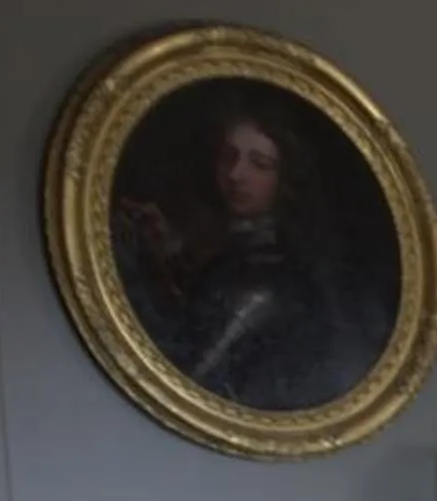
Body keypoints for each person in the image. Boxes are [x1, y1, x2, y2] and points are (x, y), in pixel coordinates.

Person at [112, 91, 357, 412]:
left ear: (284, 179)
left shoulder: (270, 281)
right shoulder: (236, 254)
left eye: (259, 164)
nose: (236, 174)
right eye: (228, 157)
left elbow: (189, 377)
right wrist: (165, 251)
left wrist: (143, 268)